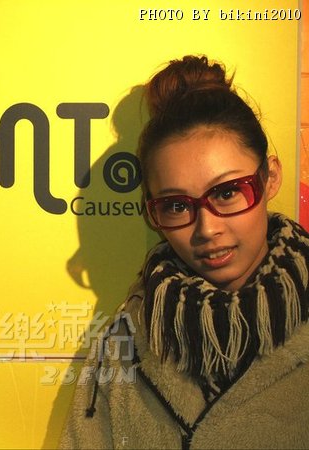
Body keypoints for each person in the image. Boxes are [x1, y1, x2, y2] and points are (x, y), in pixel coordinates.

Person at [60, 55, 309, 449]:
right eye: (176, 205)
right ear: (152, 213)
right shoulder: (127, 338)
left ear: (270, 177)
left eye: (227, 193)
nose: (207, 229)